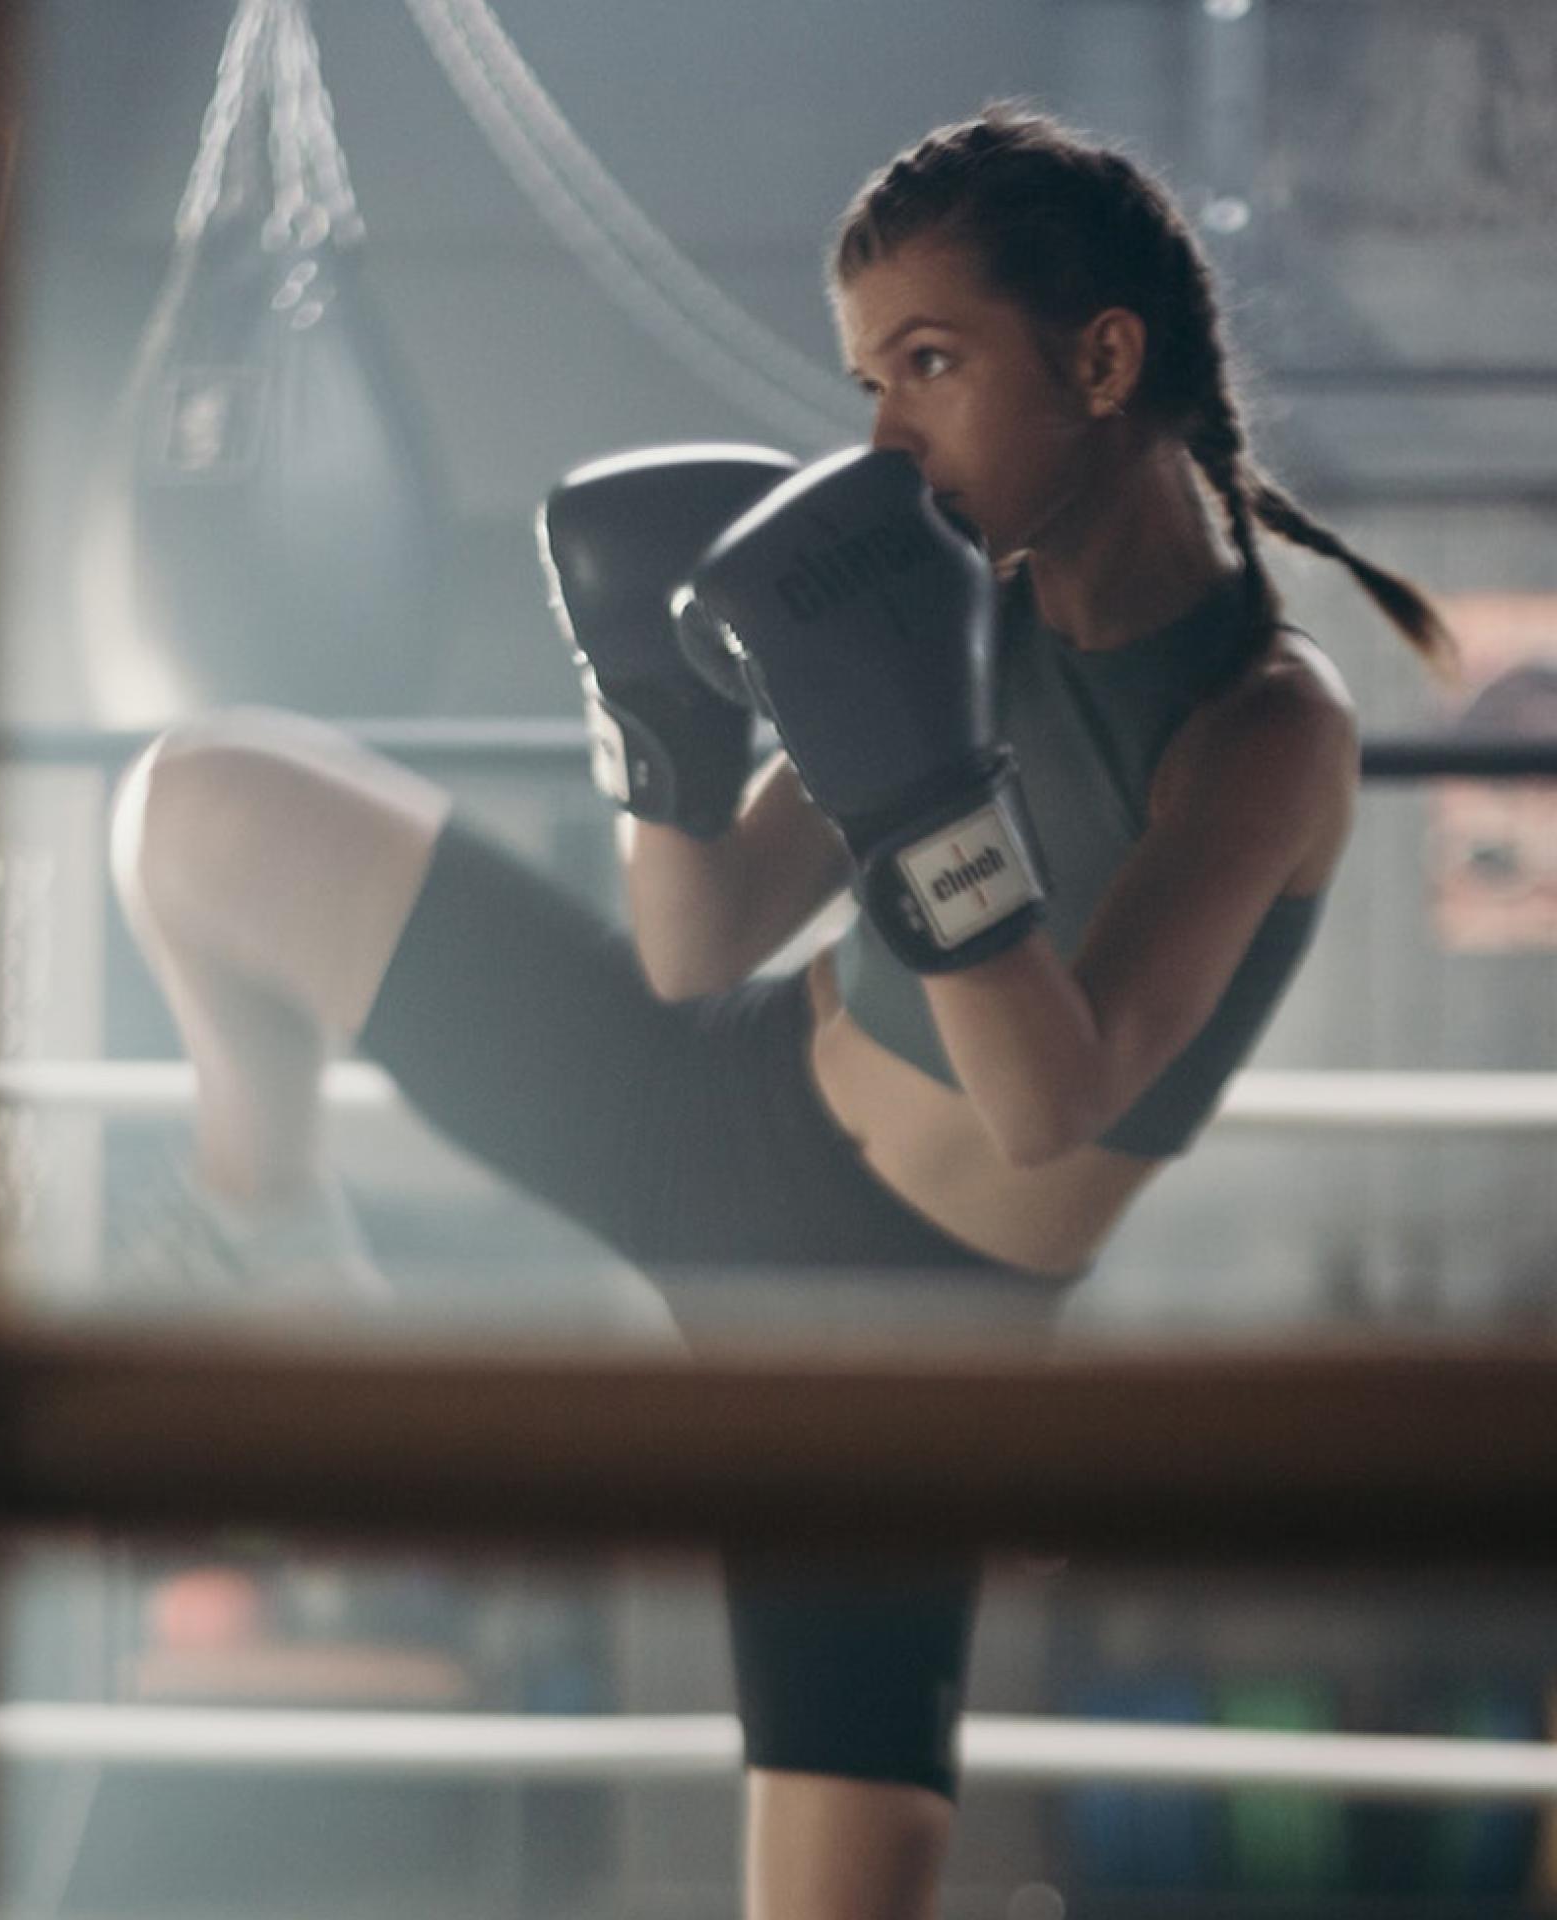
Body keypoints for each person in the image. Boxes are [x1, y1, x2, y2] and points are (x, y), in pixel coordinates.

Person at [110, 106, 1454, 1920]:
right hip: (708, 1112)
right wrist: (657, 727)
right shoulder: (941, 604)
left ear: (1104, 359)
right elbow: (696, 944)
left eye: (930, 364)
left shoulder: (1267, 728)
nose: (886, 433)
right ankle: (266, 1218)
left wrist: (921, 790)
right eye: (869, 380)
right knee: (196, 804)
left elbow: (1054, 1097)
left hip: (900, 1348)